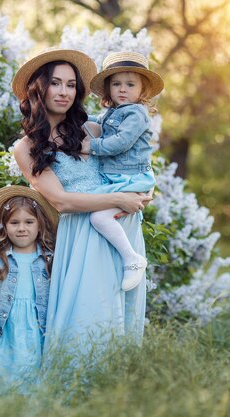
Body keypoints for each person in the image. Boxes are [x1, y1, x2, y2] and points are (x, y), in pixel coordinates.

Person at [11, 49, 152, 358]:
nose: (64, 92)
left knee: (120, 321)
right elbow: (61, 201)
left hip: (122, 230)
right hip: (82, 236)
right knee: (88, 322)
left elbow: (134, 158)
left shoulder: (92, 130)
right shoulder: (26, 147)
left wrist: (145, 191)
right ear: (39, 88)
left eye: (71, 85)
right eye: (56, 83)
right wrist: (118, 198)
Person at [81, 51, 164, 291]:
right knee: (94, 208)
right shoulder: (113, 112)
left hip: (132, 178)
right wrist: (76, 117)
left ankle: (132, 259)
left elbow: (120, 142)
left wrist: (90, 146)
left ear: (142, 90)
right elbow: (98, 120)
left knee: (98, 216)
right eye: (116, 84)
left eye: (130, 84)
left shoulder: (136, 113)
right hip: (120, 178)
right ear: (108, 89)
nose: (123, 89)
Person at [0, 185, 58, 396]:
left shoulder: (50, 260)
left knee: (29, 390)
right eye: (14, 223)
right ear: (4, 226)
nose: (21, 228)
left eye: (29, 222)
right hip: (0, 336)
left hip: (35, 334)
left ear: (39, 225)